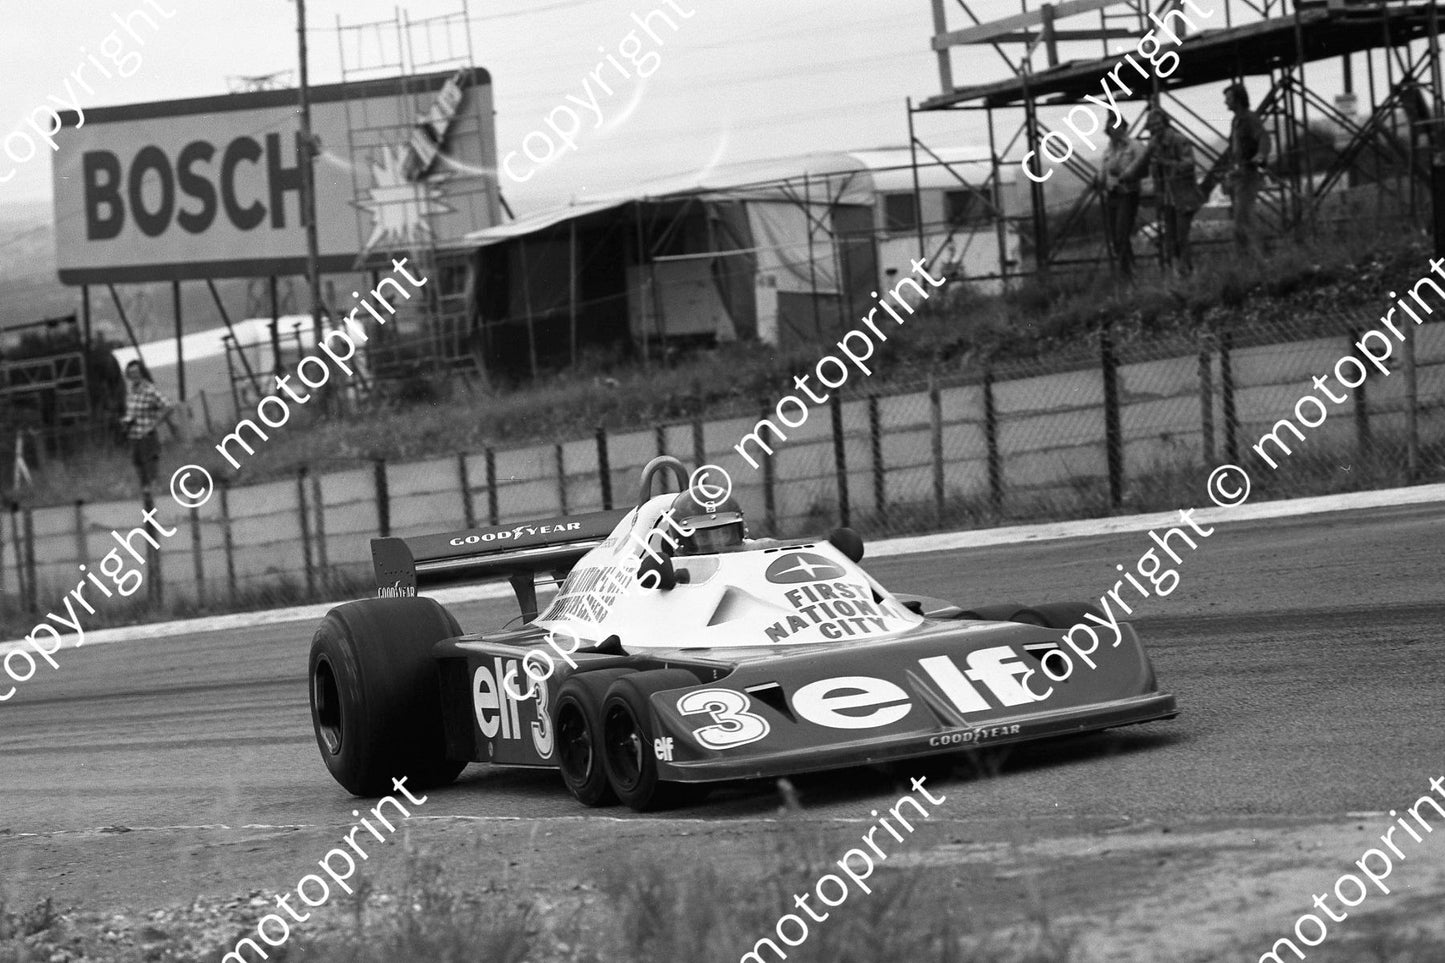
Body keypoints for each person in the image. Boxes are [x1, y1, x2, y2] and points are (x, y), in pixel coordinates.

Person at [1202, 82, 1268, 256]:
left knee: (1243, 220)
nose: (1226, 102)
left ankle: (1256, 260)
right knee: (1241, 221)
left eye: (1228, 98)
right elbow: (1233, 149)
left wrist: (1260, 155)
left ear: (1238, 99)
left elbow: (1263, 137)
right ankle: (1248, 260)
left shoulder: (1249, 118)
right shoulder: (1236, 121)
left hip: (1248, 175)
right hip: (1238, 175)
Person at [1145, 109, 1204, 275]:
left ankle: (1187, 271)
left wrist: (1166, 163)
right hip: (1168, 198)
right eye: (1152, 125)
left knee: (1181, 237)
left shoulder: (1179, 140)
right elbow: (1144, 164)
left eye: (1158, 123)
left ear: (1165, 122)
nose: (1155, 127)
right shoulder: (1153, 144)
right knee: (1171, 238)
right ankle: (1182, 271)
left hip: (1184, 196)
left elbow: (1189, 163)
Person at [1097, 117, 1148, 281]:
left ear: (1124, 128)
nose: (1114, 132)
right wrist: (1099, 181)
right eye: (1111, 130)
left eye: (1117, 128)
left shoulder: (1135, 146)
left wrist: (1127, 174)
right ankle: (1129, 271)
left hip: (1128, 193)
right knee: (1116, 237)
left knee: (1121, 233)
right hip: (1111, 195)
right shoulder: (1108, 151)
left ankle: (1129, 272)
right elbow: (1103, 173)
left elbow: (1144, 168)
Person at [120, 359, 174, 494]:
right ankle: (145, 491)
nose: (134, 375)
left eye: (136, 372)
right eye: (131, 373)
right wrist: (126, 421)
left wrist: (155, 424)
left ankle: (156, 492)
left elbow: (168, 406)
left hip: (146, 434)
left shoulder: (149, 390)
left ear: (142, 373)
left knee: (149, 463)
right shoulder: (132, 391)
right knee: (137, 463)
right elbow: (133, 412)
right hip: (133, 434)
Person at [667, 490, 748, 555]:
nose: (717, 546)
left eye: (724, 533)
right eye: (703, 537)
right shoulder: (672, 572)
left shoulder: (752, 555)